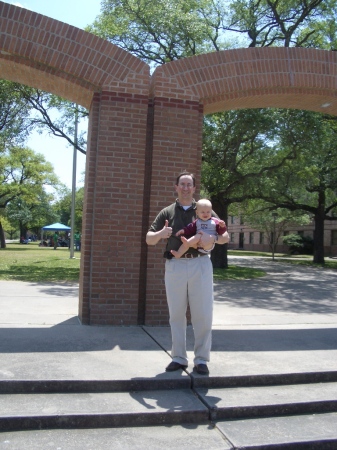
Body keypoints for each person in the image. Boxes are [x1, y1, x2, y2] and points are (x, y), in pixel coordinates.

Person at [146, 171, 229, 375]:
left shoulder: (204, 209)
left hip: (200, 264)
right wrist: (160, 234)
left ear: (193, 188)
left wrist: (215, 240)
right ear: (176, 187)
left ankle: (201, 359)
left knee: (203, 314)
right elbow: (149, 239)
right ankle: (178, 357)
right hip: (175, 265)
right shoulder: (167, 212)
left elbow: (225, 235)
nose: (185, 187)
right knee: (176, 314)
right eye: (181, 184)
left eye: (189, 184)